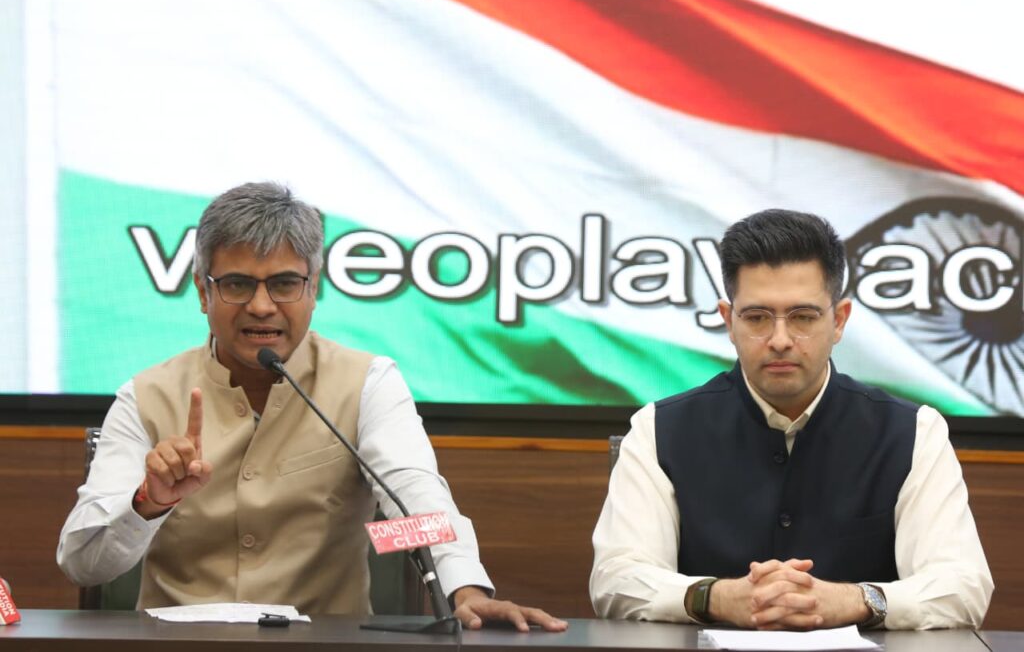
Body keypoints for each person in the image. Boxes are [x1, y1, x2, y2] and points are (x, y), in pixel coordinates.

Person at [58, 182, 567, 632]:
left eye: (284, 283)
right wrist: (148, 502)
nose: (262, 306)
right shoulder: (145, 396)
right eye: (237, 284)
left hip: (325, 644)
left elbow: (415, 499)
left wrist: (466, 592)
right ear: (202, 292)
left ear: (314, 288)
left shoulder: (367, 383)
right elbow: (83, 565)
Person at [590, 209, 993, 630]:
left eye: (803, 317)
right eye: (757, 318)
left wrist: (855, 600)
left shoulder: (913, 432)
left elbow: (962, 587)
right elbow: (615, 580)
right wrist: (716, 597)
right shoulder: (659, 429)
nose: (780, 340)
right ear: (729, 321)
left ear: (839, 321)